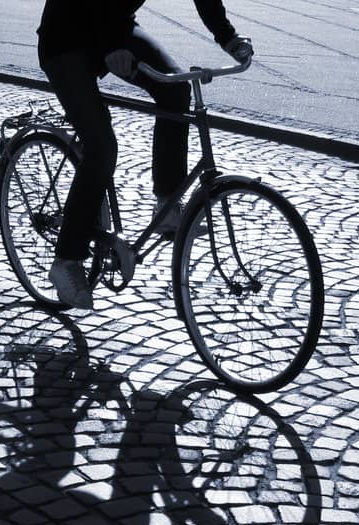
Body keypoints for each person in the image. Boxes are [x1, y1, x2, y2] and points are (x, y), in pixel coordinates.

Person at [38, 0, 251, 310]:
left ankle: (167, 203)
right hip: (66, 38)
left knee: (176, 90)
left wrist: (228, 37)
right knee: (101, 147)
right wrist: (111, 45)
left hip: (114, 25)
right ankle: (67, 259)